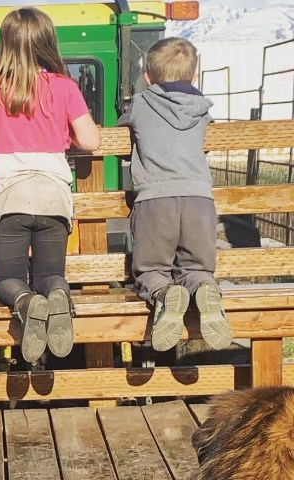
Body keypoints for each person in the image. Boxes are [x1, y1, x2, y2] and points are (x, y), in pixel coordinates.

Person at [0, 8, 101, 363]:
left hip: (12, 200)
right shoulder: (65, 87)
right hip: (53, 197)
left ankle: (27, 302)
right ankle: (55, 296)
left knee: (7, 278)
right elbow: (91, 140)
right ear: (48, 43)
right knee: (52, 273)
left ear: (4, 46)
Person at [116, 37, 232, 352]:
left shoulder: (141, 103)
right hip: (199, 200)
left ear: (149, 78)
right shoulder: (202, 110)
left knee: (152, 269)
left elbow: (121, 128)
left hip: (155, 200)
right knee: (197, 267)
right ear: (194, 78)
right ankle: (205, 289)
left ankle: (165, 294)